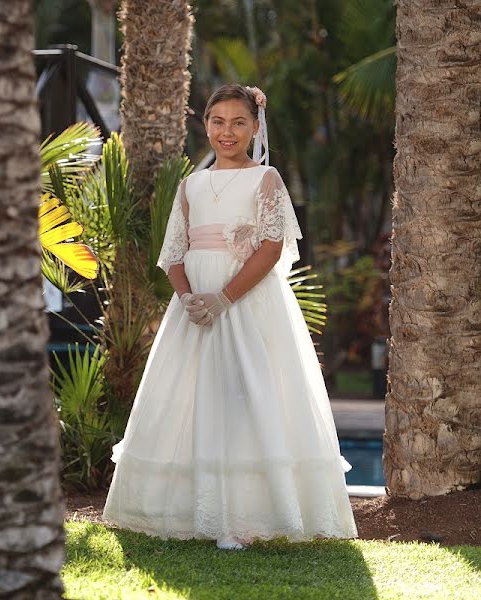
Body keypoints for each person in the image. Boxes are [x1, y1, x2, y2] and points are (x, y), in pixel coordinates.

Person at [101, 83, 358, 550]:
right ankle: (183, 511)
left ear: (255, 127)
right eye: (218, 121)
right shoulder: (190, 186)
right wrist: (186, 298)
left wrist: (224, 297)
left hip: (246, 304)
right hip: (194, 308)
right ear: (205, 125)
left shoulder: (267, 179)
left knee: (248, 395)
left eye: (239, 122)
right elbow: (174, 251)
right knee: (194, 397)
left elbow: (271, 247)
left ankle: (246, 516)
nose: (227, 131)